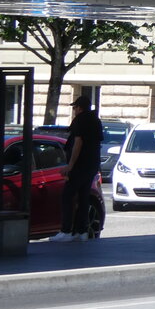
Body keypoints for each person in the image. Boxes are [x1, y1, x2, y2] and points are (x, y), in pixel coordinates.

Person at [49, 95, 103, 242]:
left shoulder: (80, 120)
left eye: (75, 107)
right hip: (92, 164)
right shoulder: (96, 120)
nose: (74, 110)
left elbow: (78, 143)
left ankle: (66, 231)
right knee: (84, 197)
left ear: (79, 108)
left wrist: (70, 166)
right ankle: (82, 231)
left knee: (67, 195)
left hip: (80, 165)